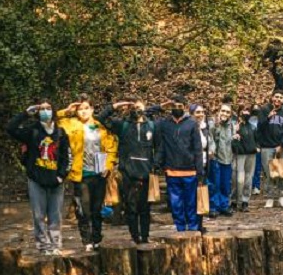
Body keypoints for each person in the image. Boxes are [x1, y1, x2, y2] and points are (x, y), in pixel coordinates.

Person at [7, 100, 71, 255]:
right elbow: (11, 129)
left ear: (53, 111)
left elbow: (67, 157)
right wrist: (25, 113)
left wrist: (61, 176)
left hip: (56, 181)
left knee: (55, 215)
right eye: (42, 109)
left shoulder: (61, 133)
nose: (46, 111)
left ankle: (55, 245)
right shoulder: (32, 131)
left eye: (48, 108)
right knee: (39, 215)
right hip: (36, 179)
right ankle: (44, 246)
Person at [57, 94, 118, 251]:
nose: (83, 112)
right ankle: (87, 240)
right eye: (80, 109)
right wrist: (67, 110)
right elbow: (52, 121)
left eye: (86, 108)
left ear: (92, 109)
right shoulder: (70, 124)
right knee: (84, 210)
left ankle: (97, 238)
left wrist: (109, 165)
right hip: (80, 175)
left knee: (97, 209)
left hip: (99, 173)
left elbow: (111, 148)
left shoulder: (101, 125)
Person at [97, 97, 157, 244]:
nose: (137, 110)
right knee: (131, 208)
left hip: (146, 172)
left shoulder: (152, 126)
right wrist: (117, 105)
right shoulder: (122, 125)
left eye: (139, 107)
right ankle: (135, 237)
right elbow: (101, 118)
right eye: (134, 107)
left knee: (145, 209)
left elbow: (160, 147)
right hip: (128, 173)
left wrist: (156, 165)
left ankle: (145, 237)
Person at [154, 95, 204, 232]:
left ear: (185, 107)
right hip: (171, 171)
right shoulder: (164, 124)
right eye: (174, 106)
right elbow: (146, 114)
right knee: (176, 205)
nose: (177, 109)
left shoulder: (192, 123)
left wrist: (200, 172)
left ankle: (193, 230)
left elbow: (197, 149)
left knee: (191, 204)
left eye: (180, 106)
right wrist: (162, 106)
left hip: (190, 171)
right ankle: (180, 230)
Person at [258, 90, 283, 208]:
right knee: (269, 174)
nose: (278, 99)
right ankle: (270, 197)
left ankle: (282, 196)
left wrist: (282, 145)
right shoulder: (264, 110)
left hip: (280, 147)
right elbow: (259, 128)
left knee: (280, 173)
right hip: (266, 146)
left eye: (280, 98)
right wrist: (268, 117)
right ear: (272, 97)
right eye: (276, 97)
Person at [208, 103, 235, 217]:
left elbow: (231, 139)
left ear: (230, 115)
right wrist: (212, 150)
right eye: (223, 111)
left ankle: (224, 206)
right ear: (219, 111)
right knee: (214, 184)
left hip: (227, 158)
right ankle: (213, 207)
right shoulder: (213, 124)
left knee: (225, 184)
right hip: (215, 158)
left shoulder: (231, 125)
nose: (225, 113)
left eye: (227, 112)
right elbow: (210, 139)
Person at [232, 105, 258, 212]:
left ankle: (245, 201)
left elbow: (257, 138)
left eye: (248, 111)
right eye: (243, 111)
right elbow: (231, 139)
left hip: (251, 154)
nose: (245, 113)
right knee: (237, 178)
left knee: (248, 178)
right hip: (239, 154)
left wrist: (257, 146)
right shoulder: (234, 125)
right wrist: (235, 131)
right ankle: (233, 200)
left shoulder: (252, 126)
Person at [249, 104, 263, 194]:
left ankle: (256, 186)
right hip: (249, 148)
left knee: (257, 168)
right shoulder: (248, 121)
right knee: (250, 168)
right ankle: (251, 186)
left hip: (259, 147)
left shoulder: (262, 121)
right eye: (254, 109)